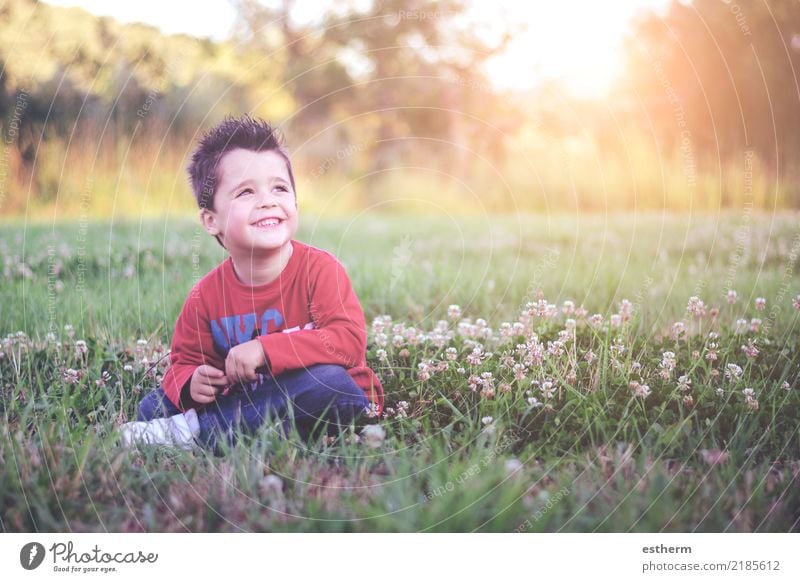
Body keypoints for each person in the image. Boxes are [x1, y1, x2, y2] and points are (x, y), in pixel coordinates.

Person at [120, 115, 384, 453]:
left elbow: (346, 343)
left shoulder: (320, 270)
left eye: (279, 188)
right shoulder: (205, 297)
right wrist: (192, 383)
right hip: (256, 400)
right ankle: (247, 429)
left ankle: (198, 433)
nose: (267, 200)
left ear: (295, 202)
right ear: (211, 220)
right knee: (152, 406)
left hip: (334, 400)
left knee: (329, 384)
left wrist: (265, 349)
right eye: (245, 191)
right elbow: (183, 361)